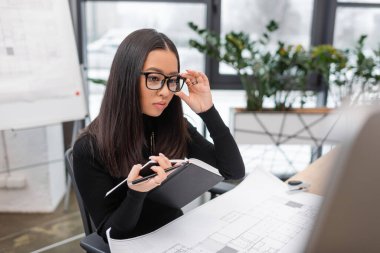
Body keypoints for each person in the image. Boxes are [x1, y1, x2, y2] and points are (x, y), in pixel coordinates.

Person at [73, 28, 245, 241]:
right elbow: (112, 233)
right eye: (154, 78)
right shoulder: (89, 147)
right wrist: (137, 194)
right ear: (126, 78)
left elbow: (233, 171)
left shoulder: (172, 126)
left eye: (171, 80)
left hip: (176, 236)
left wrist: (207, 111)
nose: (165, 91)